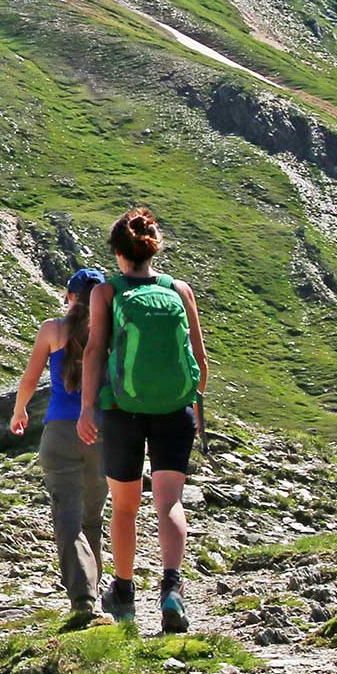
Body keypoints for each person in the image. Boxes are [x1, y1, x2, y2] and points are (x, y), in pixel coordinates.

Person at [78, 207, 209, 633]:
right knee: (168, 502)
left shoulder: (107, 293)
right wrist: (188, 400)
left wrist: (86, 408)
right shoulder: (181, 289)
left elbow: (95, 351)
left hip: (123, 411)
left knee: (125, 506)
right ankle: (172, 589)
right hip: (175, 409)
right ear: (155, 247)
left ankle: (125, 591)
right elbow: (200, 361)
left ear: (118, 252)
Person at [10, 268, 110, 627]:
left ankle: (84, 598)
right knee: (92, 519)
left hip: (59, 434)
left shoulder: (51, 330)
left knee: (67, 520)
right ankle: (93, 593)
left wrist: (19, 410)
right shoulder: (111, 332)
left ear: (69, 296)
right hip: (102, 434)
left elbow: (30, 377)